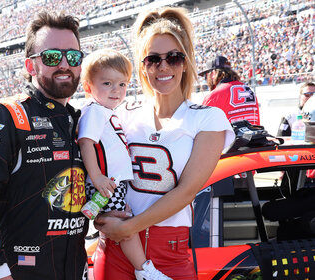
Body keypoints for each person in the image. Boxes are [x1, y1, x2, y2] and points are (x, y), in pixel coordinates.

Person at [93, 7, 235, 280]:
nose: (164, 66)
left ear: (186, 60)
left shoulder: (208, 119)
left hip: (169, 252)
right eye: (153, 59)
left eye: (174, 57)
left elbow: (187, 192)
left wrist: (129, 228)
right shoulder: (121, 113)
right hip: (115, 248)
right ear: (142, 65)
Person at [0, 11, 89, 280]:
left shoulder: (81, 122)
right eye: (52, 57)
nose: (65, 64)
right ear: (31, 66)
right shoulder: (5, 116)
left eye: (73, 57)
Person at [78, 49, 170, 279]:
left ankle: (142, 269)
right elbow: (86, 144)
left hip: (111, 183)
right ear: (88, 87)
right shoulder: (94, 112)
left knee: (121, 221)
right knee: (124, 227)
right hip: (106, 184)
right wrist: (97, 177)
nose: (116, 90)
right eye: (107, 83)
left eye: (122, 84)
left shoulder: (107, 112)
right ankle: (144, 270)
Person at [198, 55, 260, 125]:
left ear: (213, 74)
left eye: (206, 76)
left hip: (231, 135)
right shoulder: (249, 90)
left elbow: (203, 128)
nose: (206, 80)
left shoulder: (214, 96)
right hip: (255, 134)